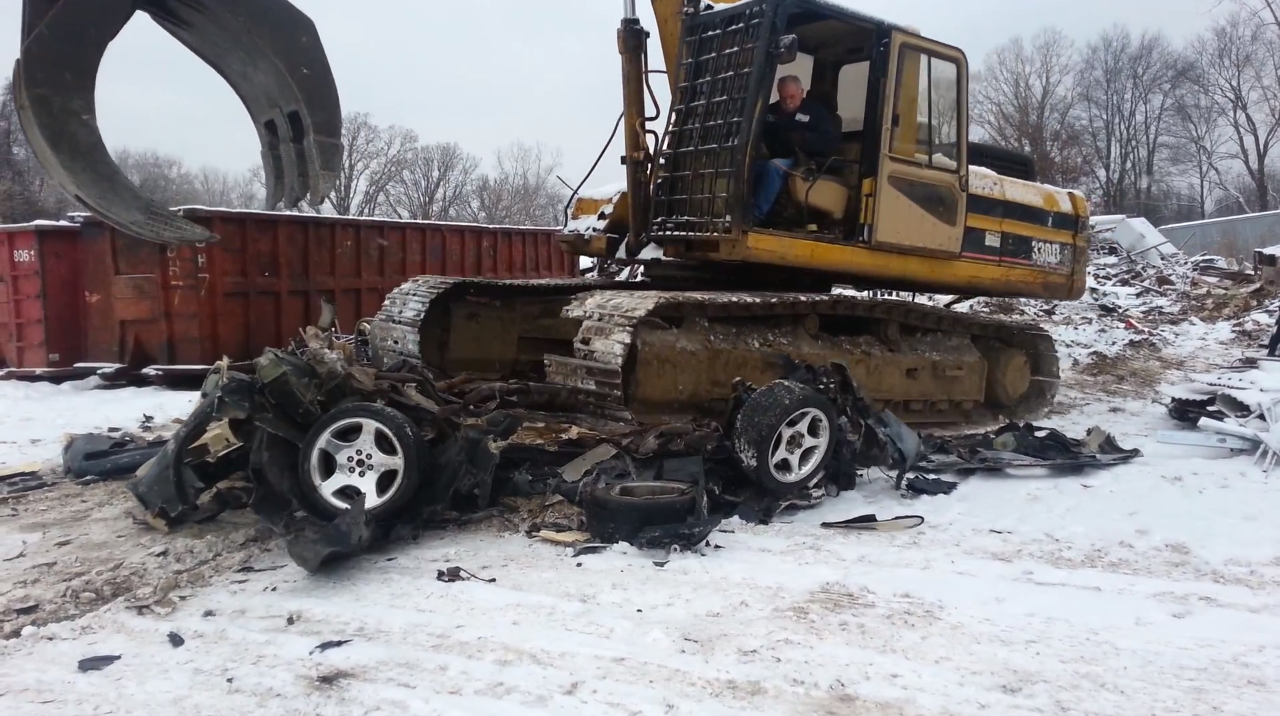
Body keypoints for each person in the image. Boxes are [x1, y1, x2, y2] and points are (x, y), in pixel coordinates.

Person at [751, 75, 842, 224]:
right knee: (750, 167)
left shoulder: (817, 114)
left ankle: (756, 215)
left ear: (802, 92)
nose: (787, 102)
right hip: (778, 156)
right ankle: (739, 211)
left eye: (792, 97)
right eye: (783, 97)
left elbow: (830, 142)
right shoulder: (771, 112)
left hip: (805, 160)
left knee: (774, 167)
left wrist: (804, 139)